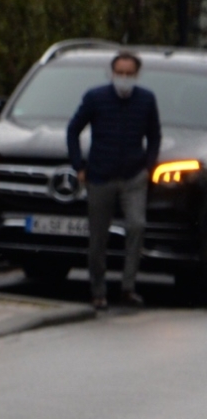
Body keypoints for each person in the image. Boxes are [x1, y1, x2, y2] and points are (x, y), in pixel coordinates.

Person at [66, 51, 161, 308]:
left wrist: (148, 167)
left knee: (136, 226)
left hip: (133, 175)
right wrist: (79, 166)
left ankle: (128, 286)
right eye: (120, 73)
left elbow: (154, 135)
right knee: (98, 236)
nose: (124, 78)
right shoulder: (96, 98)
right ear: (112, 73)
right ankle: (98, 290)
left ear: (137, 75)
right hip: (100, 175)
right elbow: (73, 129)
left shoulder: (146, 100)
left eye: (129, 74)